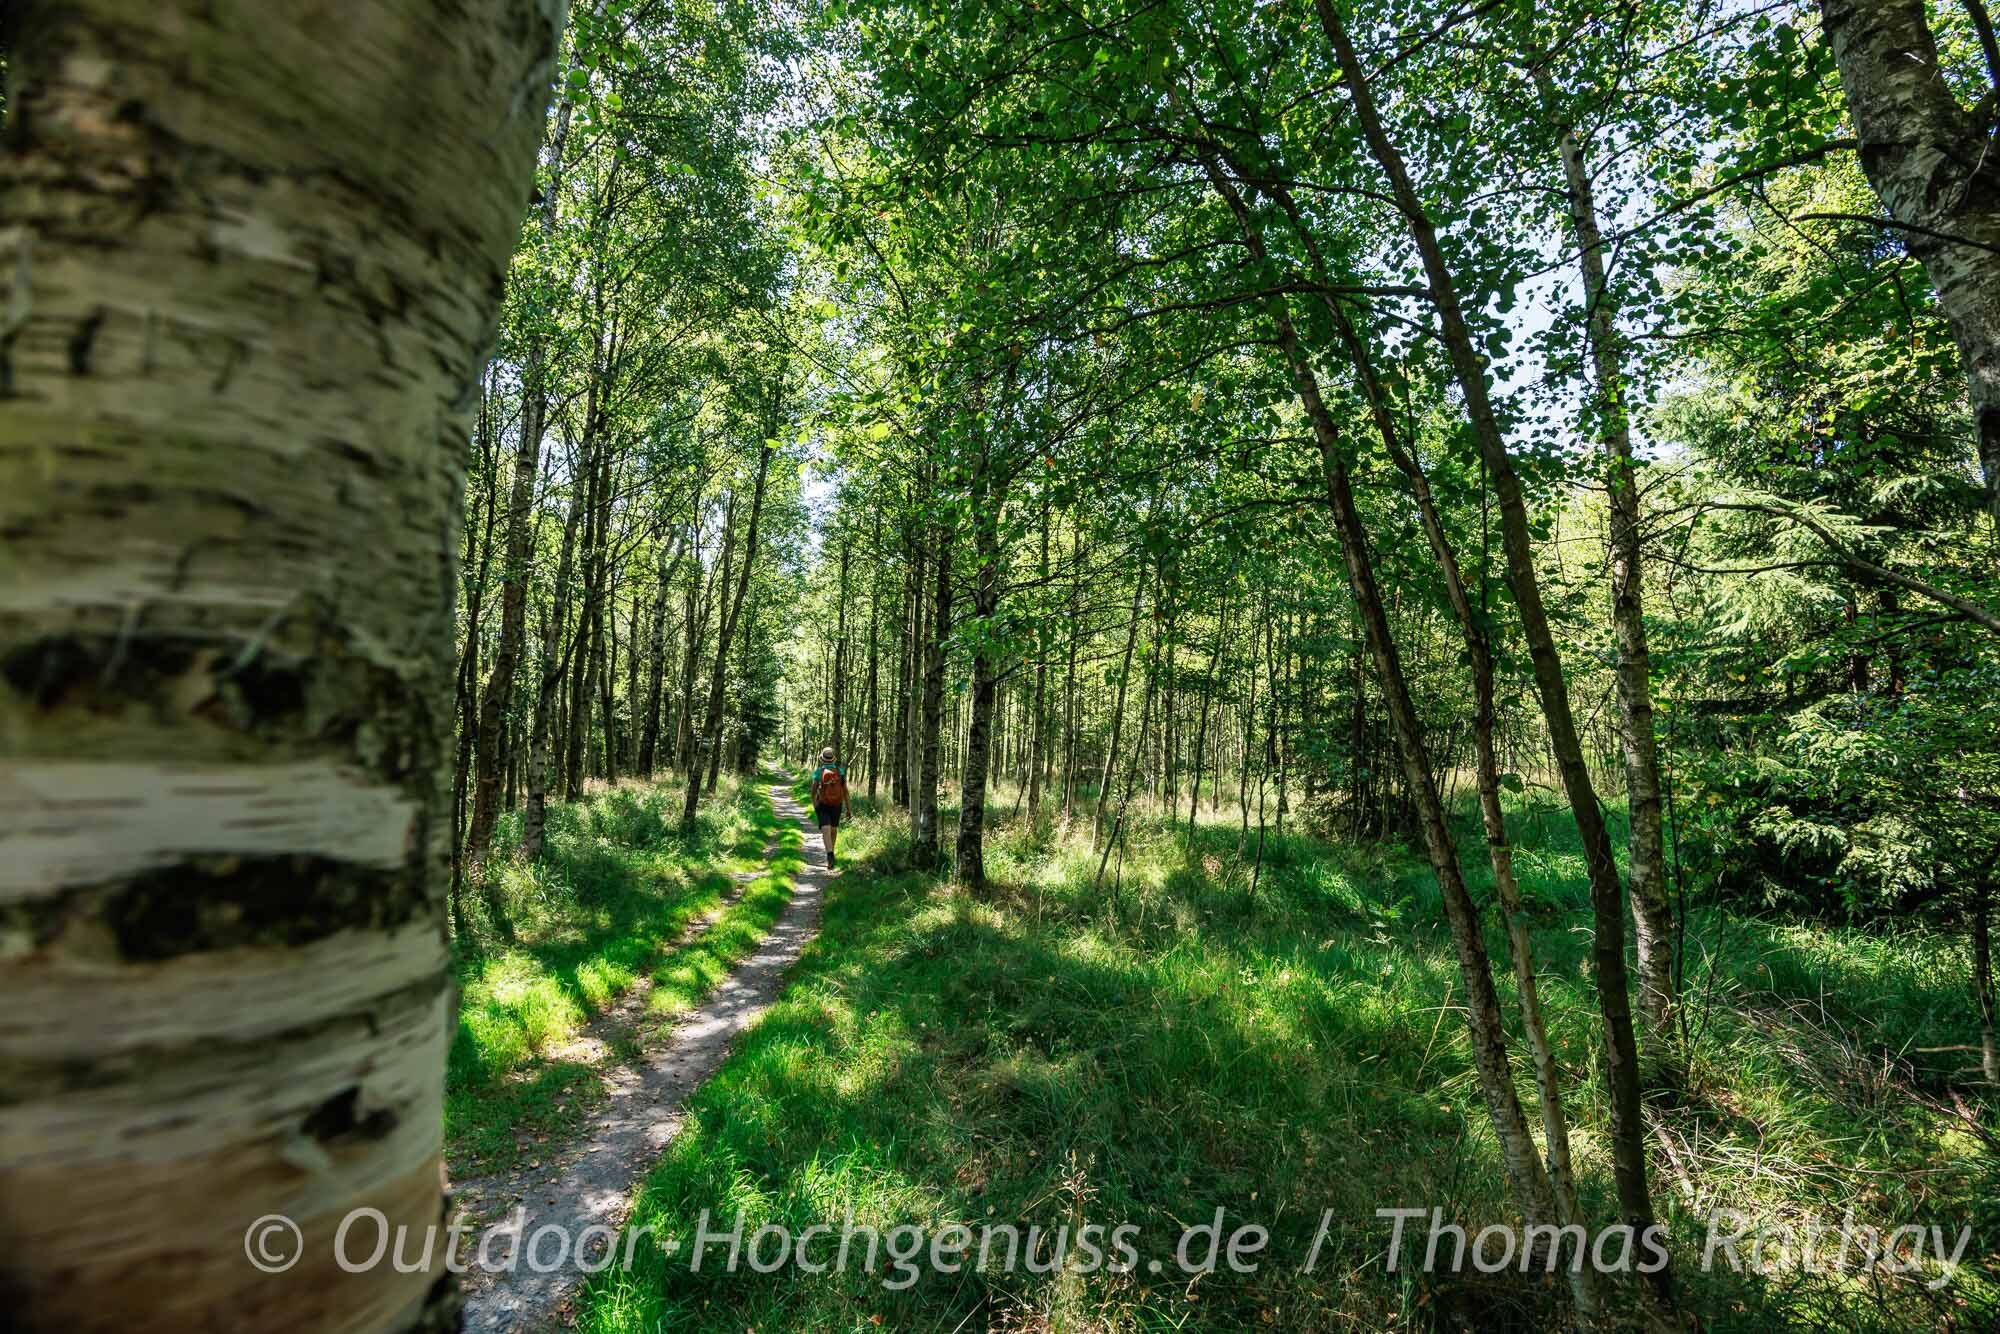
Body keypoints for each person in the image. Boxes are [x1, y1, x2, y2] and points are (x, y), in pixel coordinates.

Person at [809, 747, 850, 868]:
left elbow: (813, 791)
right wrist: (849, 809)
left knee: (825, 829)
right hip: (837, 804)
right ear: (833, 759)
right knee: (833, 829)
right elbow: (845, 791)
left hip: (823, 804)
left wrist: (815, 805)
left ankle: (830, 854)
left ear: (822, 759)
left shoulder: (819, 771)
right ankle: (832, 852)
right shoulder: (840, 771)